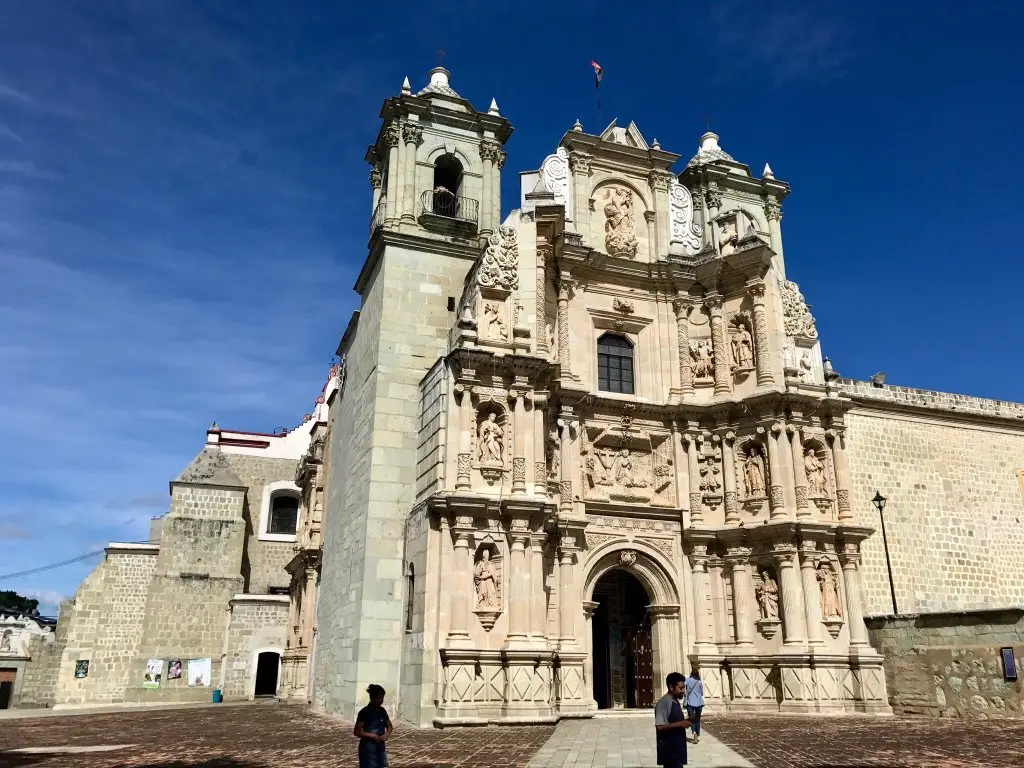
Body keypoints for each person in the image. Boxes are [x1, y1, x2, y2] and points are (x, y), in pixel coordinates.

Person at [655, 672, 692, 768]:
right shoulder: (663, 703)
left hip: (677, 750)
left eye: (684, 687)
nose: (683, 691)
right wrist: (680, 724)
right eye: (680, 688)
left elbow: (674, 721)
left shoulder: (675, 700)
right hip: (669, 751)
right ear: (671, 687)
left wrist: (688, 721)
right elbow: (660, 726)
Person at [354, 683, 393, 768]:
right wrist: (372, 736)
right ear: (371, 698)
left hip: (380, 748)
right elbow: (357, 731)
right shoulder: (364, 712)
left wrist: (387, 734)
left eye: (382, 698)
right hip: (368, 749)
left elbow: (389, 725)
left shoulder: (382, 711)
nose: (381, 700)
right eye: (378, 698)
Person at [684, 670, 704, 743]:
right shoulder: (699, 682)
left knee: (692, 719)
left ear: (691, 674)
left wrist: (685, 693)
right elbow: (702, 693)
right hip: (699, 703)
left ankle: (694, 733)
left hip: (690, 702)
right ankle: (697, 734)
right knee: (697, 719)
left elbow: (683, 685)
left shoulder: (688, 680)